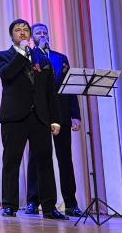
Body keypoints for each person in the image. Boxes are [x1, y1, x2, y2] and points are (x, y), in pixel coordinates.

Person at [0, 19, 66, 219]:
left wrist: (55, 119)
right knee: (11, 161)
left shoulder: (41, 57)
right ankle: (10, 205)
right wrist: (22, 53)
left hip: (39, 117)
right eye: (18, 30)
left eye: (25, 29)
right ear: (12, 35)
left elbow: (50, 92)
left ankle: (49, 207)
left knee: (45, 161)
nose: (23, 32)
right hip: (14, 118)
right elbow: (7, 74)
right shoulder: (1, 56)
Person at [24, 23, 82, 217]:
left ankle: (71, 203)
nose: (43, 35)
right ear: (33, 37)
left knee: (65, 158)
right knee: (36, 157)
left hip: (62, 113)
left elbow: (70, 88)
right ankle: (33, 201)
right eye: (38, 33)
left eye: (45, 32)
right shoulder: (30, 56)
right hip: (39, 114)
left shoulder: (60, 58)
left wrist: (75, 114)